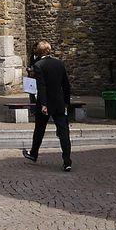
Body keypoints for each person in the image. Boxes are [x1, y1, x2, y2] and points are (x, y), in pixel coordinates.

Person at [23, 39, 72, 171]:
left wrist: (43, 104)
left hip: (45, 103)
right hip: (59, 102)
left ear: (39, 52)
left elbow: (42, 87)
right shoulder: (59, 63)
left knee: (39, 129)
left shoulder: (39, 65)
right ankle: (67, 161)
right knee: (64, 132)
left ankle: (33, 154)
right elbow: (66, 85)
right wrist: (67, 102)